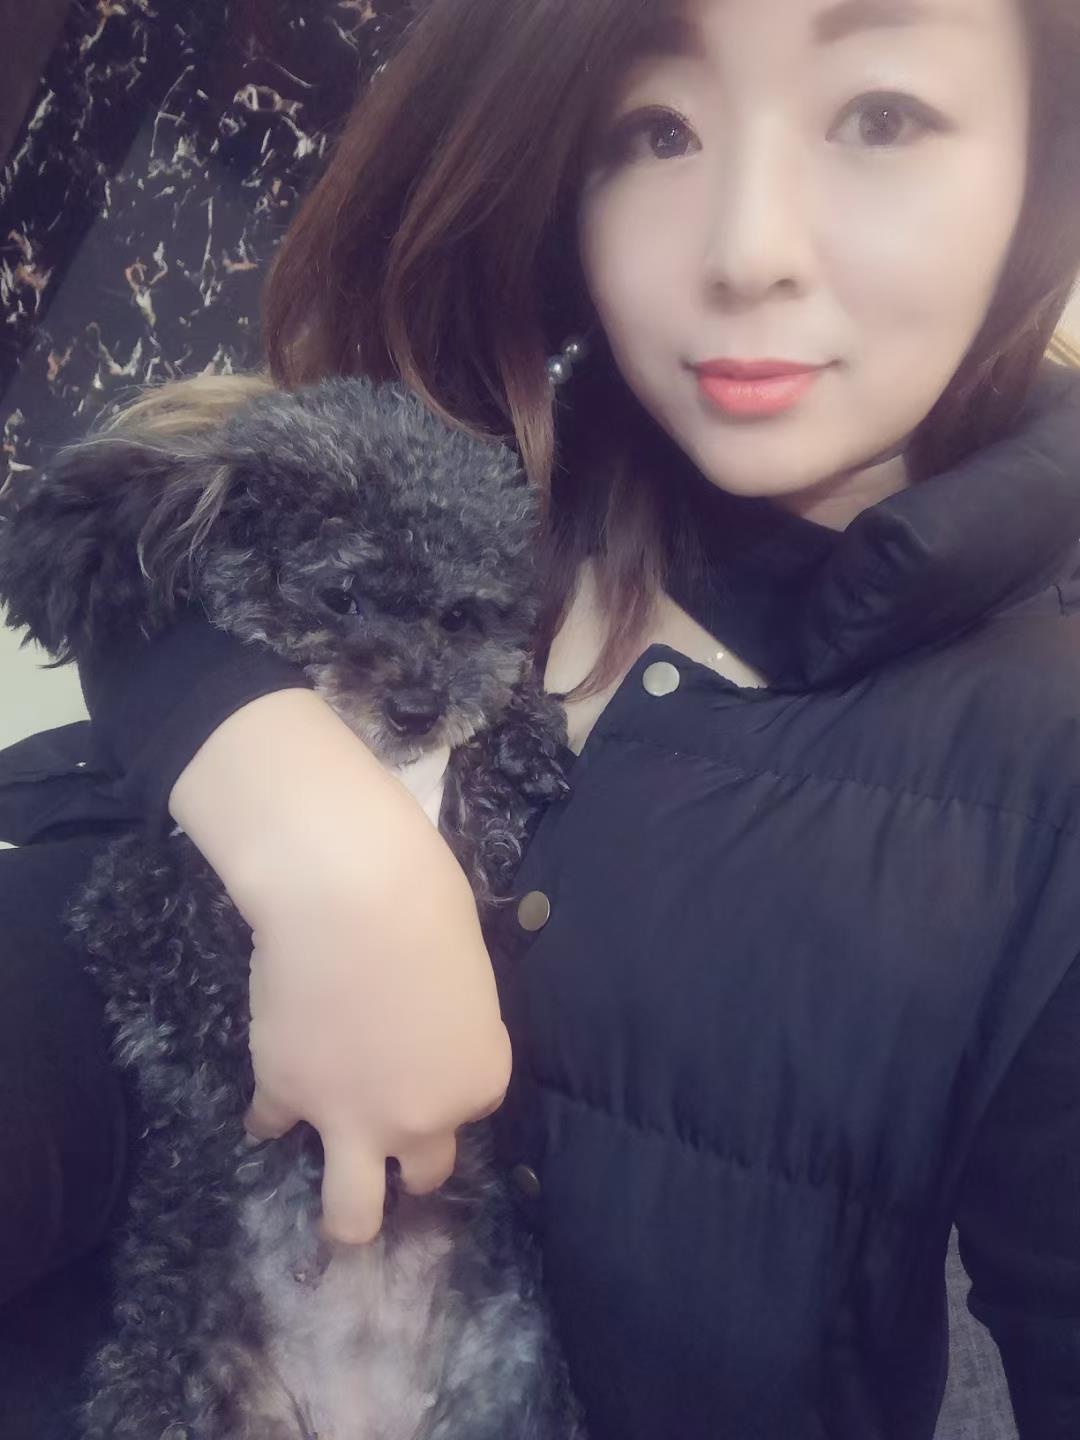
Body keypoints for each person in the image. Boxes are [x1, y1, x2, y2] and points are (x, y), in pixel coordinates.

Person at [1, 0, 1079, 1435]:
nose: (747, 249)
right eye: (656, 130)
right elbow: (113, 564)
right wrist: (318, 845)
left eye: (879, 117)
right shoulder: (486, 454)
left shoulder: (1045, 766)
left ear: (1044, 159)